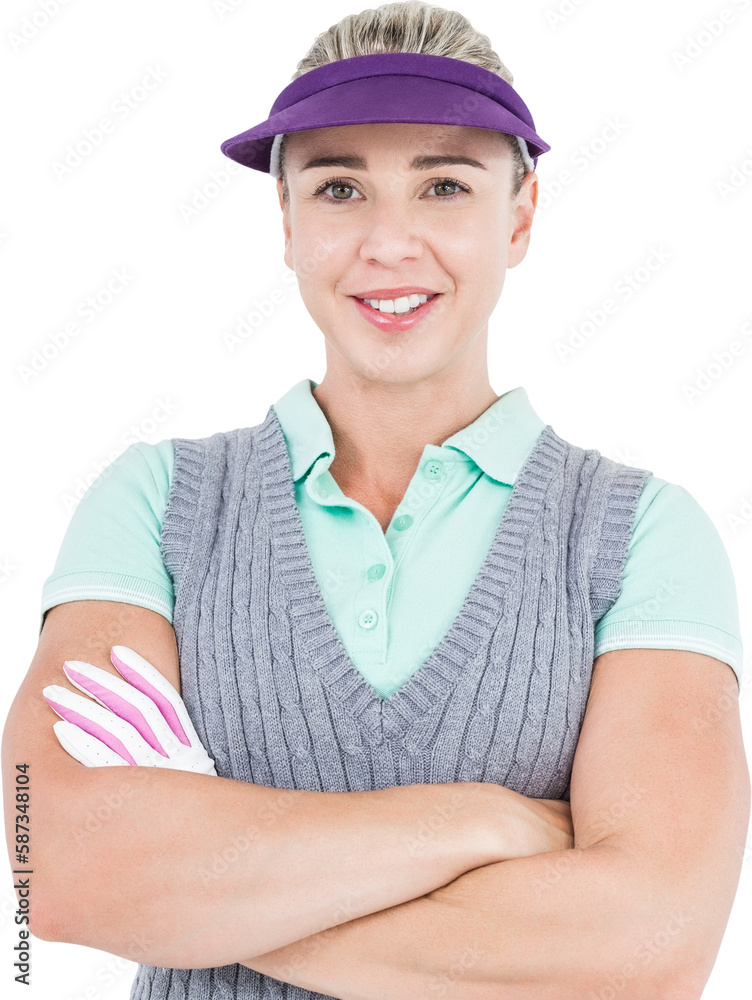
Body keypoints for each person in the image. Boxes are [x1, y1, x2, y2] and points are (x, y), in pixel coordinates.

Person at [2, 3, 748, 999]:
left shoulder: (639, 537)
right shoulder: (159, 503)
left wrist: (195, 888)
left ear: (520, 216)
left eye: (444, 186)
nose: (389, 243)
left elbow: (650, 947)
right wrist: (479, 821)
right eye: (339, 188)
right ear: (287, 222)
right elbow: (54, 864)